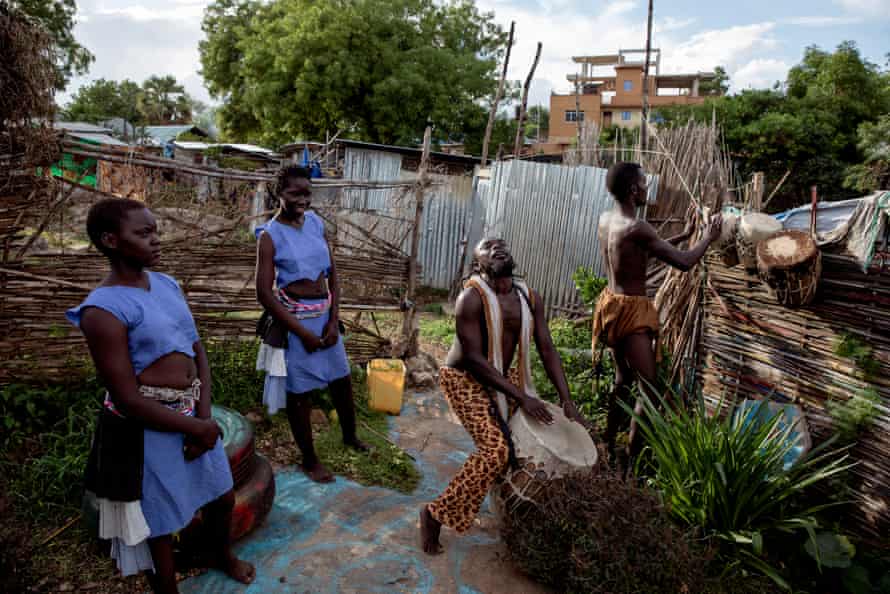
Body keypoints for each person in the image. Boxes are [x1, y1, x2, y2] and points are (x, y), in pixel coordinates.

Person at [66, 199, 255, 593]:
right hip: (145, 429)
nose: (156, 240)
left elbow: (196, 350)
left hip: (191, 413)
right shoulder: (102, 310)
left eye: (155, 230)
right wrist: (192, 427)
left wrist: (203, 420)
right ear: (110, 240)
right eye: (143, 233)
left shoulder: (167, 285)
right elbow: (127, 396)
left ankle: (220, 555)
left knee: (220, 498)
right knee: (161, 522)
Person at [420, 238, 588, 555]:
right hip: (466, 380)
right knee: (496, 450)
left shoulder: (529, 298)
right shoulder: (470, 299)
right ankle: (434, 515)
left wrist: (567, 400)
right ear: (478, 263)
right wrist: (522, 398)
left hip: (506, 377)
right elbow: (473, 359)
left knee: (522, 440)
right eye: (488, 245)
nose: (497, 246)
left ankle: (508, 507)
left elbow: (547, 348)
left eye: (501, 243)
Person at [594, 162, 721, 464]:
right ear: (634, 189)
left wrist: (684, 233)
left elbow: (639, 250)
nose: (647, 189)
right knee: (649, 389)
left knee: (622, 378)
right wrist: (708, 237)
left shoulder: (606, 220)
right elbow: (685, 262)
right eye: (643, 184)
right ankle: (629, 460)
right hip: (632, 314)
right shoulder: (638, 227)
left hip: (611, 306)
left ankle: (607, 445)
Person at [255, 165, 368, 484]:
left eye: (307, 192)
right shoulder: (270, 236)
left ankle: (350, 437)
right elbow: (264, 293)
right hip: (295, 323)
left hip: (324, 317)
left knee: (342, 380)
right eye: (295, 193)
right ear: (279, 194)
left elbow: (333, 275)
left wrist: (333, 321)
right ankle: (309, 459)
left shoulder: (316, 224)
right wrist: (302, 332)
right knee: (300, 392)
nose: (303, 199)